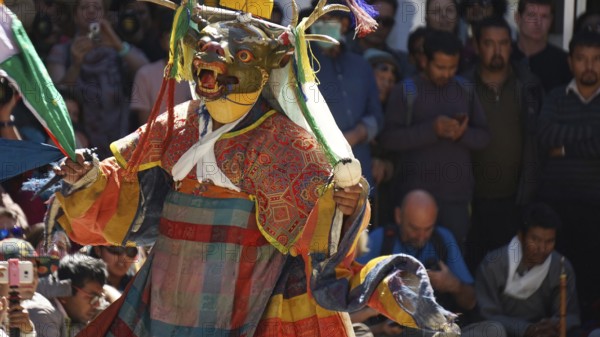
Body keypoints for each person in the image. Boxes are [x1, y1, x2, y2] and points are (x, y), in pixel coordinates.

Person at [46, 1, 459, 336]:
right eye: (205, 50)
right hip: (169, 279)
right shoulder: (179, 121)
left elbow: (323, 226)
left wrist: (345, 205)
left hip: (243, 285)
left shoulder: (287, 139)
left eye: (237, 56)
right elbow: (123, 180)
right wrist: (86, 178)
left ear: (263, 69)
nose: (212, 62)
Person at [380, 29, 490, 248]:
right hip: (413, 199)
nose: (447, 74)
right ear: (424, 60)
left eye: (452, 67)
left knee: (452, 265)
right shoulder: (406, 91)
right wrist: (432, 130)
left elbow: (484, 137)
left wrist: (462, 135)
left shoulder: (465, 90)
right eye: (440, 67)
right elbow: (389, 139)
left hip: (456, 200)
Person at [357, 190, 505, 335]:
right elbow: (351, 297)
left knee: (495, 329)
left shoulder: (443, 240)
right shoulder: (380, 240)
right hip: (398, 329)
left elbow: (471, 301)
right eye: (414, 229)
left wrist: (453, 285)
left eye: (427, 229)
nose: (421, 237)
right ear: (398, 216)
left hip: (442, 327)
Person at [461, 16, 544, 272]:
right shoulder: (462, 86)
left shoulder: (528, 86)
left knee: (509, 273)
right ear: (476, 45)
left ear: (512, 45)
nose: (497, 51)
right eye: (489, 43)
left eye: (504, 43)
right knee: (471, 269)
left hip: (515, 201)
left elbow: (538, 141)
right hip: (471, 202)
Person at [536, 30, 600, 323]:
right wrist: (590, 137)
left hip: (595, 207)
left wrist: (564, 148)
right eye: (582, 59)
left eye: (596, 59)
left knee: (591, 278)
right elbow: (546, 133)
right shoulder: (555, 97)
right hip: (557, 206)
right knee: (556, 276)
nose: (589, 66)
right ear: (571, 62)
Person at [46, 0, 148, 158]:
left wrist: (117, 44)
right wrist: (75, 65)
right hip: (80, 144)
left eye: (97, 7)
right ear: (74, 15)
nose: (91, 12)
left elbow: (147, 72)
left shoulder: (117, 48)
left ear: (105, 15)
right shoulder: (62, 51)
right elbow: (55, 95)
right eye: (84, 7)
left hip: (122, 140)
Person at [476, 203, 581, 337]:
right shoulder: (493, 265)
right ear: (521, 236)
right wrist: (526, 329)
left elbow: (571, 315)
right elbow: (486, 314)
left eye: (549, 241)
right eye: (535, 240)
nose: (542, 248)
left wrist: (554, 324)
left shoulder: (561, 267)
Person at [309, 6, 384, 190]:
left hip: (359, 168)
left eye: (328, 19)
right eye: (317, 19)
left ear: (343, 24)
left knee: (360, 214)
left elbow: (377, 115)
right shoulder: (302, 66)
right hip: (316, 169)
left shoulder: (361, 66)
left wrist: (358, 133)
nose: (321, 24)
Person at [511, 0, 571, 93]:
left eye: (544, 16)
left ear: (551, 20)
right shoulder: (505, 56)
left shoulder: (564, 62)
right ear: (518, 18)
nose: (538, 23)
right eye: (531, 15)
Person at [0, 238, 41, 337]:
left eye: (34, 272)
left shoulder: (22, 318)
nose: (32, 279)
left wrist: (27, 333)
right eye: (23, 271)